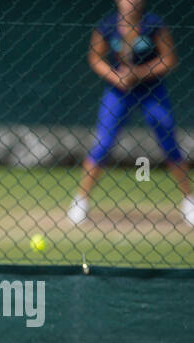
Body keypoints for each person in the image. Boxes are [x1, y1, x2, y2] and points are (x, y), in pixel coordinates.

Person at [67, 0, 194, 226]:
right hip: (118, 92)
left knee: (169, 141)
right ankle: (80, 201)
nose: (131, 2)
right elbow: (95, 58)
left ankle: (189, 202)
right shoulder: (106, 26)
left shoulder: (154, 25)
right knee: (103, 143)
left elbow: (169, 59)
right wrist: (117, 77)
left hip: (152, 90)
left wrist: (139, 73)